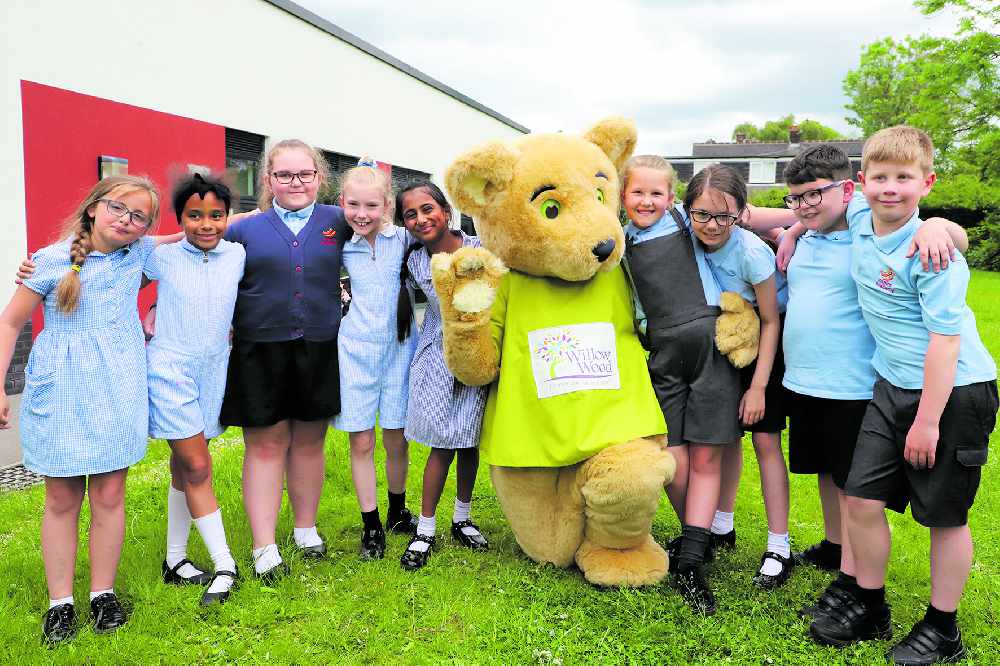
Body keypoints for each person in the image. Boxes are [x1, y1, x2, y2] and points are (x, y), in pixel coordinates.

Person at [806, 127, 997, 665]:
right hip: (889, 386)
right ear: (862, 182)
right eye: (881, 177)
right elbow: (808, 210)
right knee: (861, 499)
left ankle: (943, 628)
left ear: (926, 183)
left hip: (952, 394)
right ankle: (870, 605)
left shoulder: (934, 253)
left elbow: (946, 342)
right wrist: (777, 226)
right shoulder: (861, 220)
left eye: (904, 178)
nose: (891, 187)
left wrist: (928, 421)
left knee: (943, 515)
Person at [620, 156, 795, 613]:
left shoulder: (687, 218)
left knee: (707, 455)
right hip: (663, 357)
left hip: (713, 350)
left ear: (671, 197)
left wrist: (796, 223)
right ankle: (698, 533)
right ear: (621, 196)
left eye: (656, 193)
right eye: (637, 192)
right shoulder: (620, 237)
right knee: (673, 459)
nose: (647, 201)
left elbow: (757, 214)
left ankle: (692, 560)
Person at [0, 176, 165, 643]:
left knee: (110, 495)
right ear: (94, 207)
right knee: (62, 498)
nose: (126, 221)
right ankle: (61, 603)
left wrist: (263, 208)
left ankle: (102, 594)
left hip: (118, 389)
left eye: (139, 216)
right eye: (118, 208)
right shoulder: (50, 261)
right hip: (63, 391)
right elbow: (10, 322)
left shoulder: (139, 255)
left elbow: (196, 232)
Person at [219, 139, 347, 579]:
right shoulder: (243, 229)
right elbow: (192, 248)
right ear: (269, 179)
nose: (296, 182)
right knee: (266, 445)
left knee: (310, 441)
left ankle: (306, 529)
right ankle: (264, 545)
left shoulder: (339, 221)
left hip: (318, 346)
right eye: (285, 175)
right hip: (260, 349)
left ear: (319, 177)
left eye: (304, 174)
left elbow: (388, 236)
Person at [681, 165, 793, 592]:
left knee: (764, 440)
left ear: (741, 214)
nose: (712, 225)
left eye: (724, 216)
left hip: (766, 346)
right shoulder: (688, 233)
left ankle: (778, 546)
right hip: (726, 342)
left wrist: (759, 387)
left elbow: (771, 320)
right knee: (724, 437)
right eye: (702, 215)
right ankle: (721, 525)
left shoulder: (750, 253)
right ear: (689, 211)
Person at [145, 173, 245, 605]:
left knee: (182, 465)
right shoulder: (161, 257)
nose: (206, 224)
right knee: (198, 466)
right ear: (179, 218)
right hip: (169, 369)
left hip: (214, 370)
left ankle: (174, 560)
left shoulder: (237, 255)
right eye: (195, 216)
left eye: (216, 216)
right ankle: (225, 564)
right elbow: (111, 264)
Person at [394, 181, 490, 571]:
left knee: (469, 440)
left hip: (479, 354)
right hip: (439, 355)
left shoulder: (480, 247)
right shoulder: (417, 262)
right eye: (410, 215)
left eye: (427, 209)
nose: (421, 219)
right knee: (442, 443)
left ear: (446, 211)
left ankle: (462, 518)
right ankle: (425, 529)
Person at [333, 159, 418, 560]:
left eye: (372, 206)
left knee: (396, 437)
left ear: (387, 205)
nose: (362, 214)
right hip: (355, 352)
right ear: (342, 202)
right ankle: (371, 525)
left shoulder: (403, 239)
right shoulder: (337, 242)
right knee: (362, 440)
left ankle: (398, 511)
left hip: (400, 348)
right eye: (354, 205)